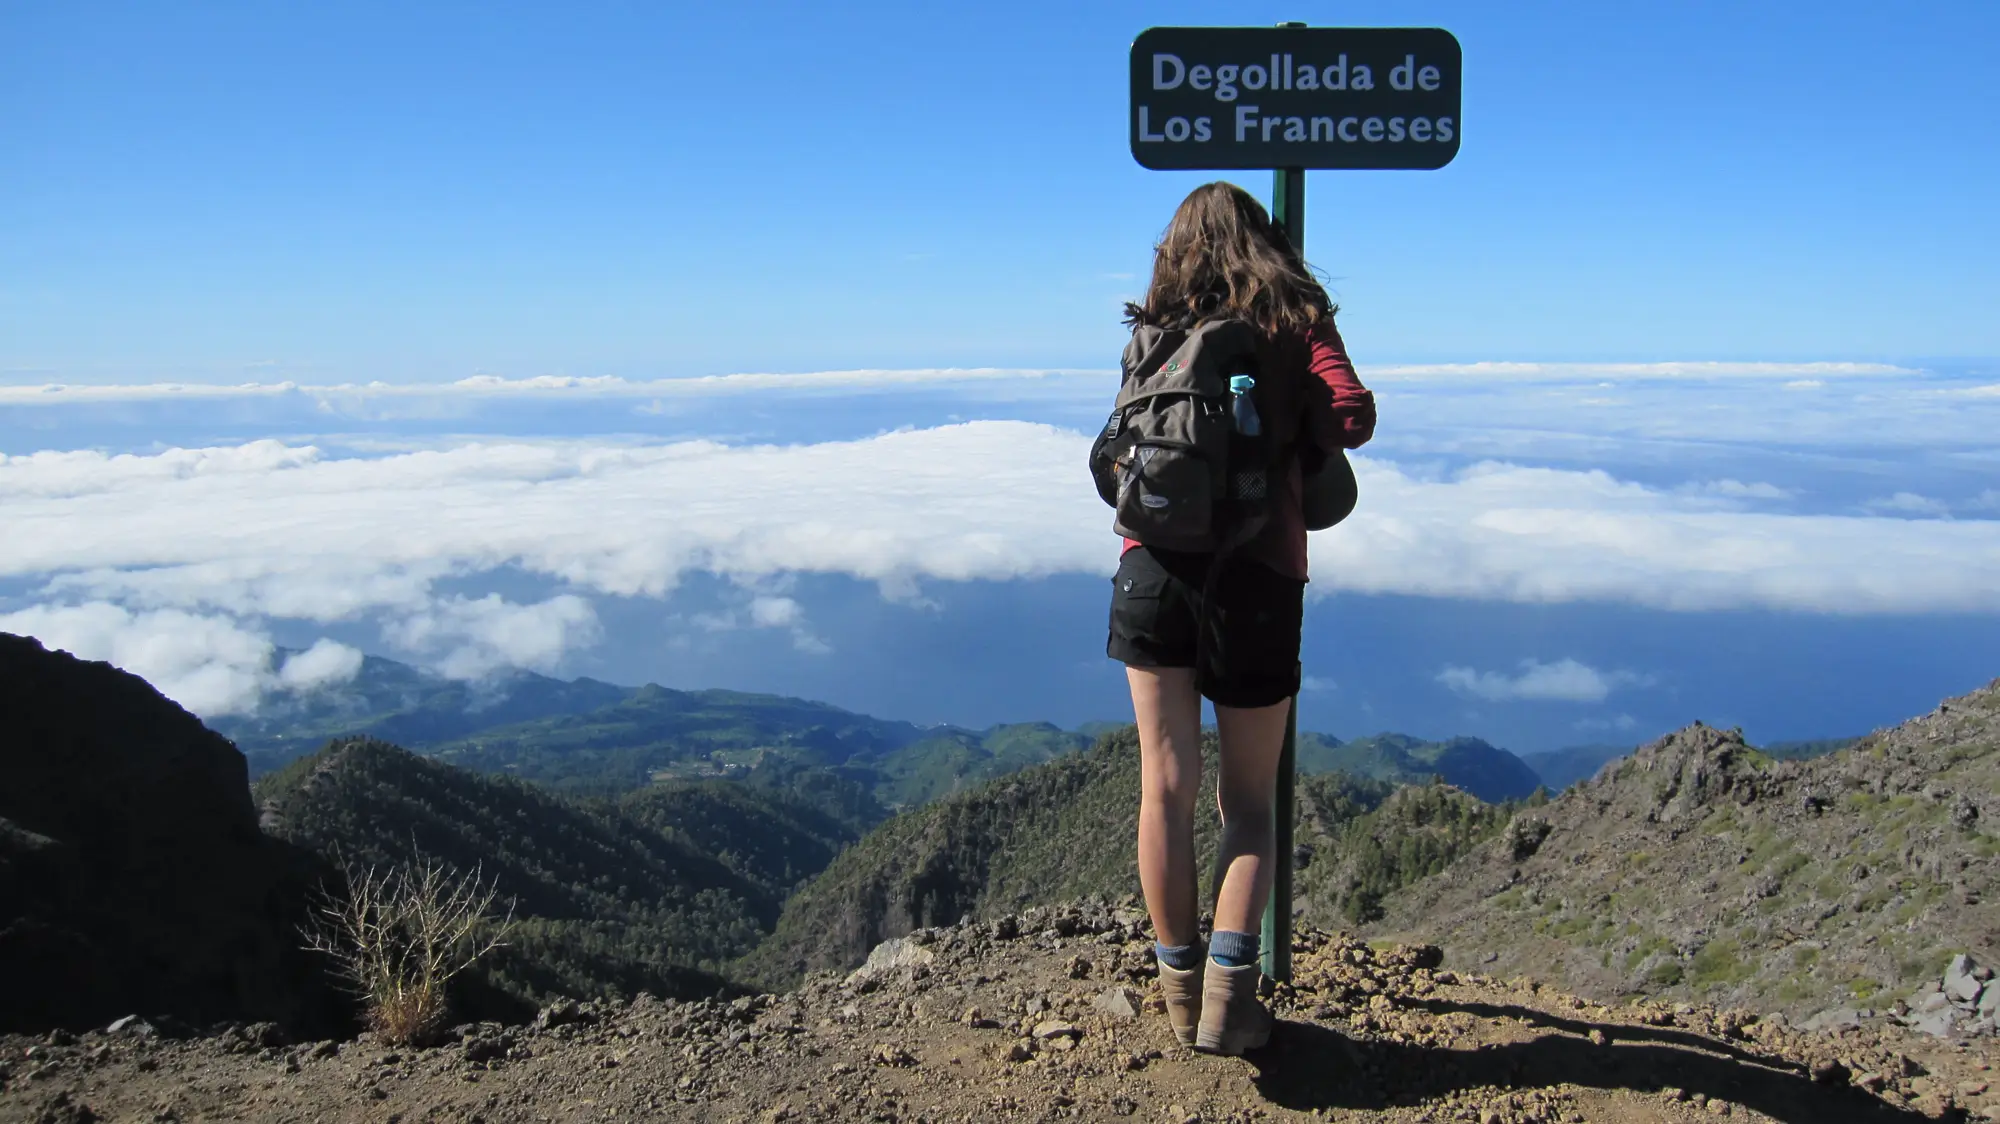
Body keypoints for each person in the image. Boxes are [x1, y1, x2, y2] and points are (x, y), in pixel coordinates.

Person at [1106, 181, 1375, 1055]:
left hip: (1149, 572)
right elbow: (1353, 415)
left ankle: (1179, 995)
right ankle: (1229, 1001)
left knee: (1165, 787)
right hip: (1259, 576)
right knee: (1248, 803)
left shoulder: (1157, 327)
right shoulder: (1294, 316)